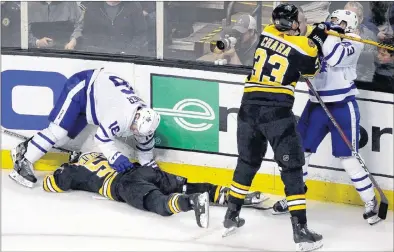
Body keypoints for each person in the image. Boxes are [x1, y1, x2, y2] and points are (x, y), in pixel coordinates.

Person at [222, 3, 329, 251]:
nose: (303, 23)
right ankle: (301, 231)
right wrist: (318, 37)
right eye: (301, 20)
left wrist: (311, 33)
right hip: (276, 113)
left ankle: (230, 216)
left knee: (247, 162)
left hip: (247, 108)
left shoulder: (267, 32)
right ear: (292, 25)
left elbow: (291, 43)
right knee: (292, 168)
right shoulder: (302, 45)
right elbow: (312, 69)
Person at [271, 9, 382, 226]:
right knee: (300, 152)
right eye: (331, 19)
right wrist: (316, 35)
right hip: (316, 105)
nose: (333, 23)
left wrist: (326, 33)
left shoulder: (354, 41)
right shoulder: (322, 35)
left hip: (342, 106)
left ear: (350, 26)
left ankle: (370, 201)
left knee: (348, 158)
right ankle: (294, 197)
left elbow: (335, 57)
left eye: (339, 21)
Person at [10, 68, 161, 189]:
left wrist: (154, 174)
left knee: (64, 139)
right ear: (136, 117)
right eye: (134, 128)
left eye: (137, 131)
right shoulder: (122, 114)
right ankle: (23, 162)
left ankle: (25, 148)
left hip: (94, 100)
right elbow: (102, 138)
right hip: (82, 87)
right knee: (58, 131)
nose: (134, 131)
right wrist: (115, 157)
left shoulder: (145, 124)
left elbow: (145, 153)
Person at [42, 152, 265, 228]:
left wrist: (62, 168)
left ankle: (192, 201)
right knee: (185, 183)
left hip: (123, 185)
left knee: (157, 203)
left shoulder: (75, 169)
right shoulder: (99, 154)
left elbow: (49, 184)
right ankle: (233, 196)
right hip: (142, 171)